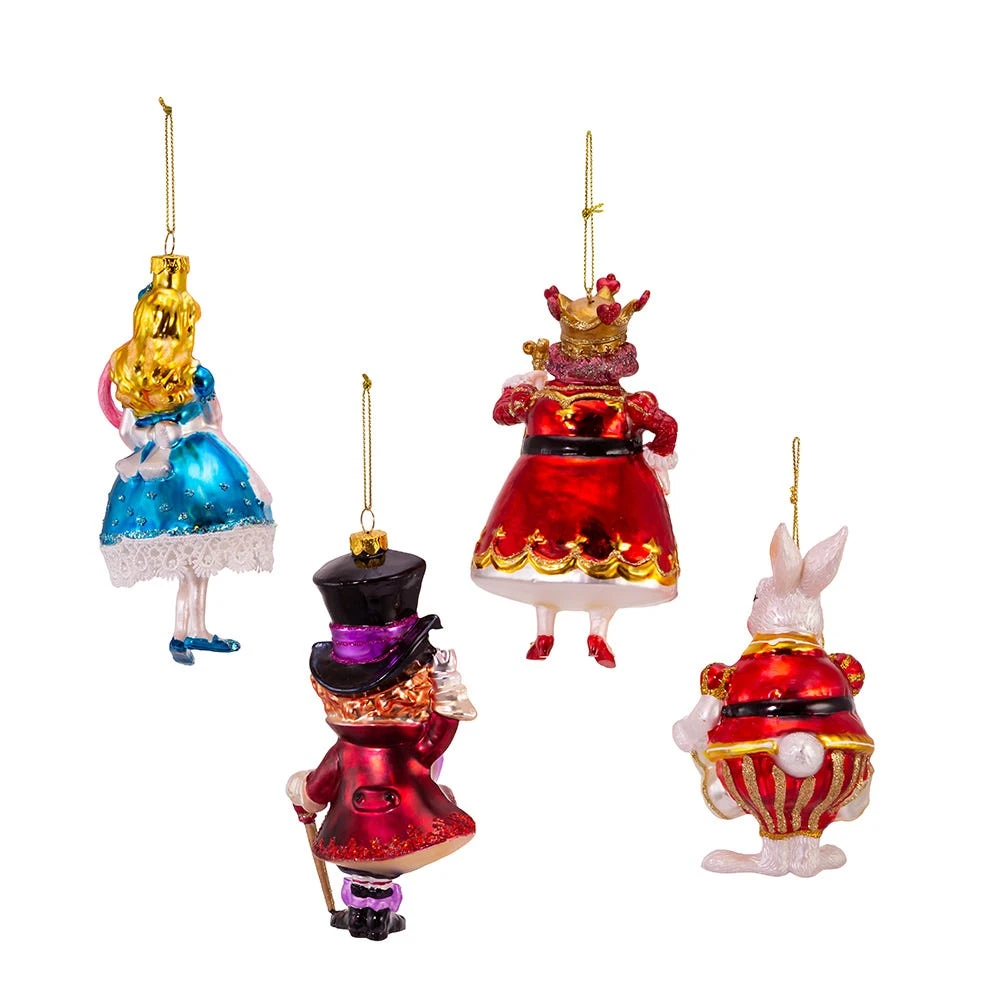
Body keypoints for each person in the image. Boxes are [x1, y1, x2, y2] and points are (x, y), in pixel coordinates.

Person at [472, 274, 678, 668]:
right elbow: (667, 426)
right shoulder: (618, 403)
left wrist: (654, 456)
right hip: (566, 493)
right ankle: (565, 632)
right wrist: (657, 454)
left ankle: (575, 633)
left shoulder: (573, 400)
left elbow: (504, 413)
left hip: (575, 494)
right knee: (568, 568)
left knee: (586, 567)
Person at [286, 532, 476, 940]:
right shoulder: (409, 744)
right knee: (384, 869)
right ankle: (375, 916)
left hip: (348, 832)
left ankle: (361, 913)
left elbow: (319, 786)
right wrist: (447, 692)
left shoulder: (345, 750)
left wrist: (304, 793)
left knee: (360, 870)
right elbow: (438, 737)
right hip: (408, 827)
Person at [99, 255, 275, 664]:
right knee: (194, 558)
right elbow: (212, 423)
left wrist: (147, 436)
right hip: (195, 468)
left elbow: (128, 428)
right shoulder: (192, 375)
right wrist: (248, 472)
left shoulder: (135, 371)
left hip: (161, 470)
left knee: (194, 562)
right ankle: (185, 633)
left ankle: (192, 631)